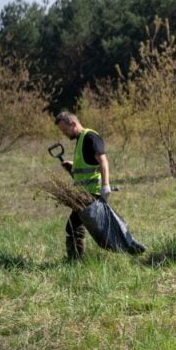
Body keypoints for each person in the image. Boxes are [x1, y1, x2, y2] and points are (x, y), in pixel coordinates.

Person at [54, 111, 112, 259]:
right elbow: (89, 164)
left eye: (65, 130)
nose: (65, 134)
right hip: (83, 192)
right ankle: (77, 259)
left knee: (73, 227)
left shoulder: (90, 137)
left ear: (73, 124)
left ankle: (75, 261)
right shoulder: (80, 139)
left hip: (91, 192)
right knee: (76, 226)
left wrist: (105, 185)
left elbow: (103, 161)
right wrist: (72, 166)